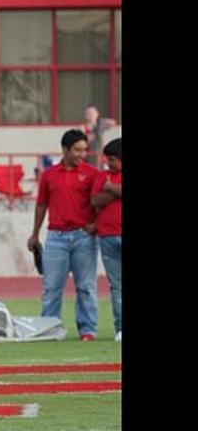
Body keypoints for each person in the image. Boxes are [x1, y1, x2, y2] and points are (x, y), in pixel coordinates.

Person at [27, 129, 101, 341]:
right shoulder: (49, 175)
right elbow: (41, 204)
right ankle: (50, 328)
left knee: (86, 286)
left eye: (84, 150)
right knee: (51, 287)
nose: (82, 154)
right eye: (77, 150)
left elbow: (101, 203)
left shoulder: (92, 174)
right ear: (65, 149)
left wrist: (96, 224)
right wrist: (34, 234)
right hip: (56, 238)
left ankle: (87, 329)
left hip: (83, 238)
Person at [90, 137, 121, 342]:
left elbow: (103, 196)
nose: (108, 164)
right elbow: (95, 201)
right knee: (117, 285)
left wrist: (110, 189)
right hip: (108, 236)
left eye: (112, 160)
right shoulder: (102, 176)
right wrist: (115, 192)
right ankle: (121, 327)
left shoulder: (106, 182)